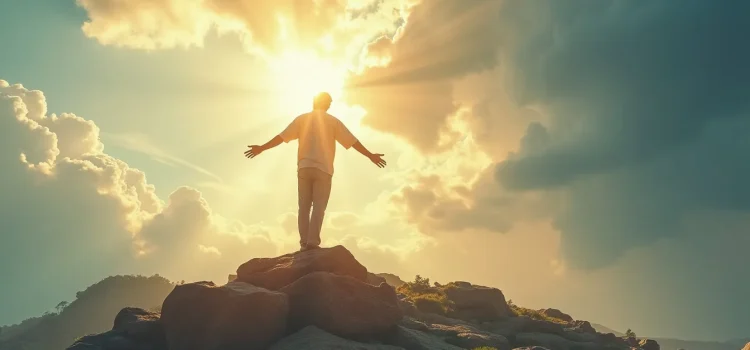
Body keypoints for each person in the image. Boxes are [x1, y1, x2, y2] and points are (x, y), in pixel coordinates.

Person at [244, 92, 386, 251]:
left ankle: (304, 242)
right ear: (327, 104)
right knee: (319, 206)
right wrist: (370, 155)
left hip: (304, 167)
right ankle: (312, 242)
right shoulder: (333, 121)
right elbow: (352, 142)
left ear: (314, 102)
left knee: (303, 207)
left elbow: (282, 137)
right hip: (323, 169)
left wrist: (262, 148)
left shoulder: (302, 119)